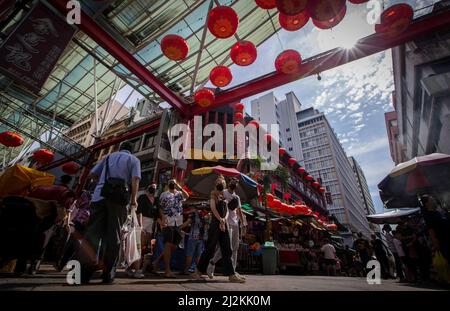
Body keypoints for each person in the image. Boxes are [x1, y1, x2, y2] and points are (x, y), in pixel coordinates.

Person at [77, 141, 141, 284]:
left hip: (99, 196)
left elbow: (92, 174)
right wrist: (133, 199)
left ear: (120, 148)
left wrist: (103, 184)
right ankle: (108, 274)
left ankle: (84, 274)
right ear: (132, 150)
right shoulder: (134, 160)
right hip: (118, 200)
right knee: (114, 236)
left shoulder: (108, 157)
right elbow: (135, 179)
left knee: (92, 234)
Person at [193, 176, 245, 283]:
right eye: (219, 182)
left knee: (227, 249)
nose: (221, 183)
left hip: (223, 224)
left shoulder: (223, 196)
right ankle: (197, 271)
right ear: (215, 184)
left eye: (222, 181)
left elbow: (226, 211)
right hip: (215, 224)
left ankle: (231, 274)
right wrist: (220, 219)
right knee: (210, 248)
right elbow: (213, 208)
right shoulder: (214, 194)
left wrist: (224, 220)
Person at [207, 178, 246, 279]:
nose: (233, 184)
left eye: (235, 183)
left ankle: (233, 271)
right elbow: (217, 202)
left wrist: (243, 224)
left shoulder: (237, 197)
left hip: (235, 224)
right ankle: (212, 263)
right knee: (227, 248)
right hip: (225, 222)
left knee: (235, 248)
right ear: (228, 184)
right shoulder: (223, 192)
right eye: (232, 182)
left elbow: (239, 210)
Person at [152, 179, 189, 278]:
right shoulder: (164, 194)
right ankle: (167, 271)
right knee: (168, 245)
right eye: (171, 183)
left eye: (174, 182)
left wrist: (179, 186)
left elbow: (187, 196)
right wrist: (162, 217)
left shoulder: (179, 193)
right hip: (168, 222)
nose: (172, 184)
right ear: (168, 185)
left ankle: (157, 261)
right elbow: (160, 207)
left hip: (178, 222)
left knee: (174, 246)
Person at [182, 209, 206, 275]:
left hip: (192, 237)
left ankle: (186, 270)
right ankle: (198, 271)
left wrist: (178, 227)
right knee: (199, 255)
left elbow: (187, 223)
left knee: (189, 254)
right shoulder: (203, 216)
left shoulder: (193, 215)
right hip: (200, 237)